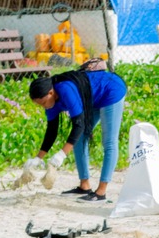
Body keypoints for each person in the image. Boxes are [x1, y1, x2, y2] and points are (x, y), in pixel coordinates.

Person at [24, 65, 127, 203]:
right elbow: (51, 131)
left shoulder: (65, 90)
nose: (44, 106)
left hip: (111, 90)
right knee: (79, 140)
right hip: (92, 98)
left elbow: (79, 124)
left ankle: (101, 192)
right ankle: (84, 186)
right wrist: (38, 158)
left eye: (43, 102)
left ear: (51, 92)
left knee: (109, 142)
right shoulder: (50, 103)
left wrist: (62, 154)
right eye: (39, 105)